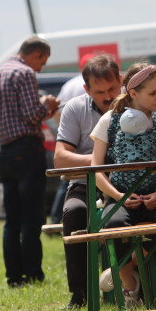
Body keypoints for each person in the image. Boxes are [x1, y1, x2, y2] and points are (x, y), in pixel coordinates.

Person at [91, 62, 156, 308]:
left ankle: (128, 263)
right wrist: (117, 195)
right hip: (120, 198)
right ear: (133, 93)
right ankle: (130, 286)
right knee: (112, 225)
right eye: (153, 93)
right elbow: (96, 171)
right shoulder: (108, 121)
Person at [0, 36, 60, 288]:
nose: (41, 68)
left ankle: (13, 276)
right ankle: (33, 272)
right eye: (43, 61)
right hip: (27, 149)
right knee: (32, 217)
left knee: (12, 219)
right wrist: (47, 105)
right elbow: (31, 114)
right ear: (36, 54)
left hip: (5, 151)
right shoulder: (25, 73)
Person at [53, 54, 122, 310]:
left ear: (121, 81)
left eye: (112, 89)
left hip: (126, 184)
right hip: (85, 184)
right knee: (73, 213)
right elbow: (60, 157)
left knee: (128, 215)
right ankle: (80, 292)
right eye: (99, 91)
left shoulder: (136, 104)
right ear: (86, 90)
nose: (107, 97)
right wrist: (97, 160)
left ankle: (132, 284)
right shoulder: (74, 108)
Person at [50, 53, 98, 225]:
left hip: (74, 145)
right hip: (86, 161)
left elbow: (57, 113)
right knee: (71, 183)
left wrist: (66, 133)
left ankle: (57, 218)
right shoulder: (79, 92)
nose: (105, 97)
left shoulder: (69, 85)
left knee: (69, 185)